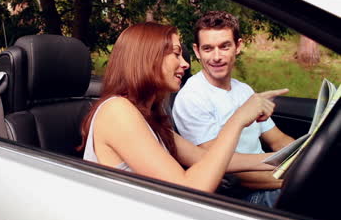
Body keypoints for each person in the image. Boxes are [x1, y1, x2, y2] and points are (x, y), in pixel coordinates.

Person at [80, 22, 288, 193]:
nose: (185, 64)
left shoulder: (149, 117)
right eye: (176, 54)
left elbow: (209, 160)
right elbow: (191, 188)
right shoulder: (117, 111)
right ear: (148, 58)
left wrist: (290, 158)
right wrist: (239, 119)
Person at [172, 11, 294, 205]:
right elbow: (223, 168)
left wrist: (303, 157)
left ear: (238, 46)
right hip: (242, 195)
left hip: (270, 174)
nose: (217, 56)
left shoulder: (244, 90)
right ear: (197, 51)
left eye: (224, 46)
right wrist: (289, 178)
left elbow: (278, 140)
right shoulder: (192, 97)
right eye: (208, 48)